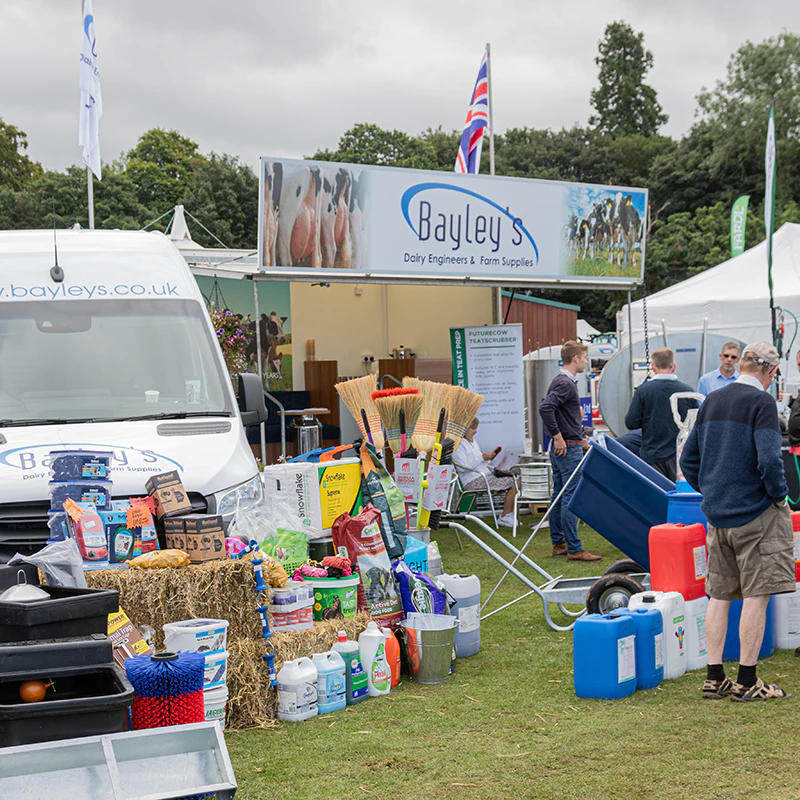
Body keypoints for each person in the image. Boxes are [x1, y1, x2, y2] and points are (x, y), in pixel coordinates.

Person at [681, 342, 794, 701]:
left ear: (740, 363)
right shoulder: (762, 402)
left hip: (718, 515)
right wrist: (779, 496)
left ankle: (714, 677)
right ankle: (747, 681)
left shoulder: (712, 398)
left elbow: (687, 459)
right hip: (756, 514)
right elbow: (769, 460)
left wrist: (711, 490)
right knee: (756, 597)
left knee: (720, 594)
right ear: (771, 373)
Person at [538, 341, 602, 561]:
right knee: (569, 496)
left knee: (558, 496)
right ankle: (574, 547)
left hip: (565, 446)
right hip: (568, 448)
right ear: (575, 358)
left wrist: (571, 434)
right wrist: (559, 437)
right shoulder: (566, 383)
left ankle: (559, 543)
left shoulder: (560, 381)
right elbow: (546, 408)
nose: (586, 361)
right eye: (584, 358)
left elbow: (556, 413)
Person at [624, 348, 698, 481]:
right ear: (673, 366)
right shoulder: (687, 391)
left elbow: (631, 422)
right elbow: (696, 424)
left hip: (652, 456)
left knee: (654, 496)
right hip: (679, 458)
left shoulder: (644, 390)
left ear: (653, 367)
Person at [453, 418, 517, 527]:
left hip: (483, 475)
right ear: (464, 429)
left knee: (515, 480)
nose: (475, 431)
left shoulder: (472, 442)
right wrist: (482, 457)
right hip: (473, 480)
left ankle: (507, 515)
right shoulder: (457, 446)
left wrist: (489, 457)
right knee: (514, 483)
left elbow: (478, 461)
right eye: (472, 429)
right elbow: (463, 467)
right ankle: (505, 516)